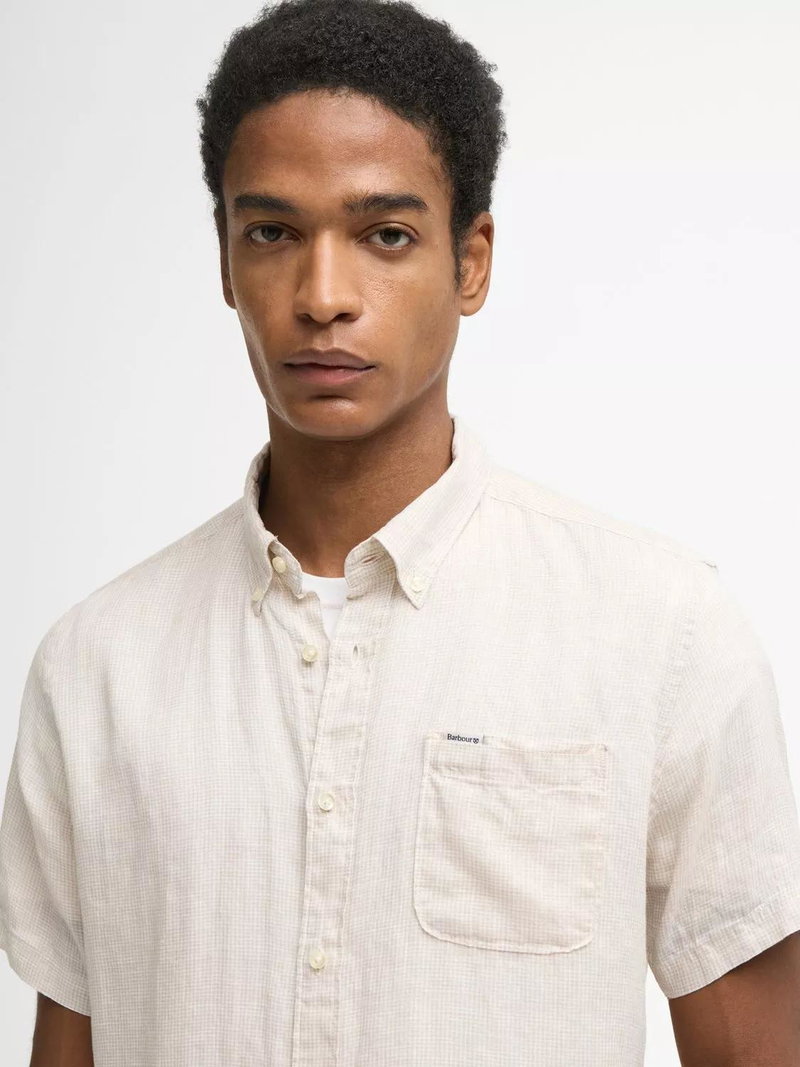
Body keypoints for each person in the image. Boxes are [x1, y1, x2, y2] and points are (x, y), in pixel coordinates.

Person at [2, 0, 800, 1064]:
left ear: (470, 262)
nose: (323, 296)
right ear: (225, 260)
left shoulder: (661, 633)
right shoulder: (98, 668)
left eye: (385, 234)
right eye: (273, 232)